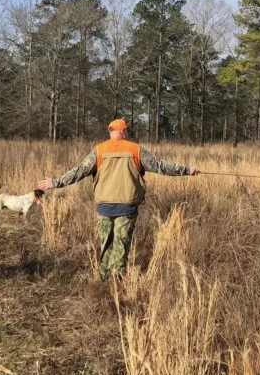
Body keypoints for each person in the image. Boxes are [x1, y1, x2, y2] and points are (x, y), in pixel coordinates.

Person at [37, 118, 199, 279]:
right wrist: (186, 170)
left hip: (104, 207)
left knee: (106, 245)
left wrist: (56, 182)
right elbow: (160, 166)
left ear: (111, 132)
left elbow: (80, 171)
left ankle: (103, 280)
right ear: (122, 131)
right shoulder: (135, 150)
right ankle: (117, 283)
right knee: (121, 246)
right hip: (126, 207)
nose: (128, 133)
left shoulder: (99, 150)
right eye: (127, 130)